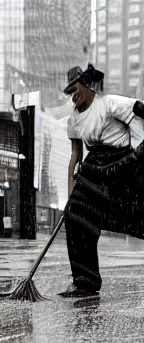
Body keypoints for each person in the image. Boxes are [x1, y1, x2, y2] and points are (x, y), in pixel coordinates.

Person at [61, 63, 144, 297]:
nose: (72, 95)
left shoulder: (108, 104)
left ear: (86, 85)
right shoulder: (74, 120)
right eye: (69, 92)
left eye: (74, 89)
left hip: (123, 166)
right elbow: (75, 158)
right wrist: (71, 195)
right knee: (76, 214)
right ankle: (85, 281)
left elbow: (139, 109)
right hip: (94, 168)